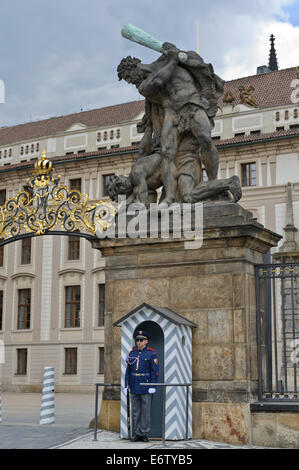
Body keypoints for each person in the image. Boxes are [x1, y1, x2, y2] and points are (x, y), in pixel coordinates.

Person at [117, 43, 224, 206]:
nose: (130, 81)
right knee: (167, 153)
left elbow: (193, 59)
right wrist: (173, 59)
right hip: (172, 112)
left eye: (129, 77)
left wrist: (175, 52)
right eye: (127, 80)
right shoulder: (146, 85)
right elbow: (159, 80)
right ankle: (169, 198)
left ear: (135, 67)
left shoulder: (165, 60)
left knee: (205, 139)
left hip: (192, 104)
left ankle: (214, 183)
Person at [124, 330, 159, 442]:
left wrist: (153, 385)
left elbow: (155, 371)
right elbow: (128, 371)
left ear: (146, 341)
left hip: (146, 385)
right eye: (137, 340)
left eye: (141, 340)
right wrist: (126, 385)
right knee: (135, 412)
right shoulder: (132, 353)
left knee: (145, 412)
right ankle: (137, 433)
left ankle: (144, 433)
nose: (138, 342)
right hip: (134, 385)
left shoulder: (151, 353)